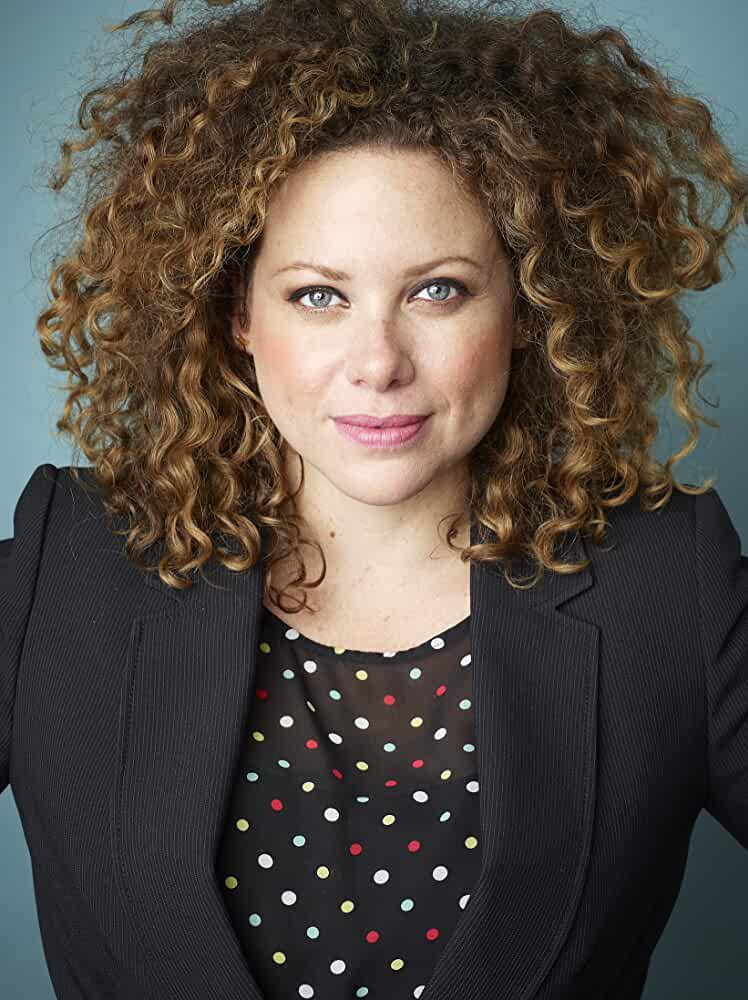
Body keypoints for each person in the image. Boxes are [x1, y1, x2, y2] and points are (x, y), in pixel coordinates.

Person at [1, 1, 747, 998]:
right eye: (319, 295)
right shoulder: (64, 569)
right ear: (238, 313)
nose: (379, 362)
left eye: (438, 290)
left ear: (528, 306)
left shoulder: (668, 587)